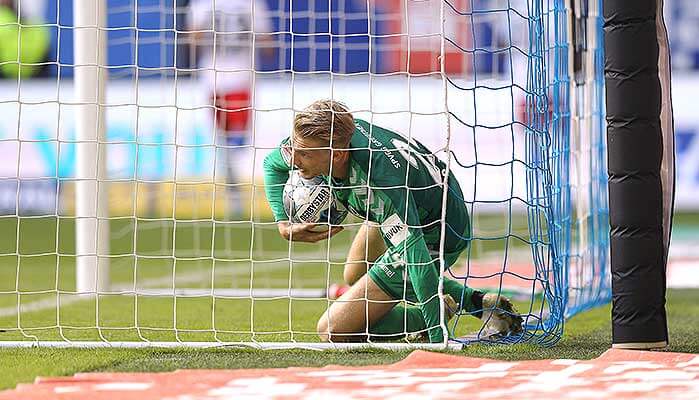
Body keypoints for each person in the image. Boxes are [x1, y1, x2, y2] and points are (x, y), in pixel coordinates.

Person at [263, 100, 523, 343]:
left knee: (331, 330)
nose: (294, 162)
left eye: (305, 155)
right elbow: (271, 164)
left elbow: (417, 257)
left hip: (438, 227)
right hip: (414, 200)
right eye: (294, 150)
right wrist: (284, 223)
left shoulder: (381, 182)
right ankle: (478, 302)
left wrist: (436, 338)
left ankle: (430, 319)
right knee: (355, 273)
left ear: (338, 155)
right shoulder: (324, 135)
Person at [187, 0, 273, 217]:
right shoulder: (252, 5)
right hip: (242, 78)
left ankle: (235, 189)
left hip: (214, 80)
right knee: (236, 141)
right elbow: (268, 43)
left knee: (226, 140)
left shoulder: (201, 5)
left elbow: (191, 41)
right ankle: (236, 191)